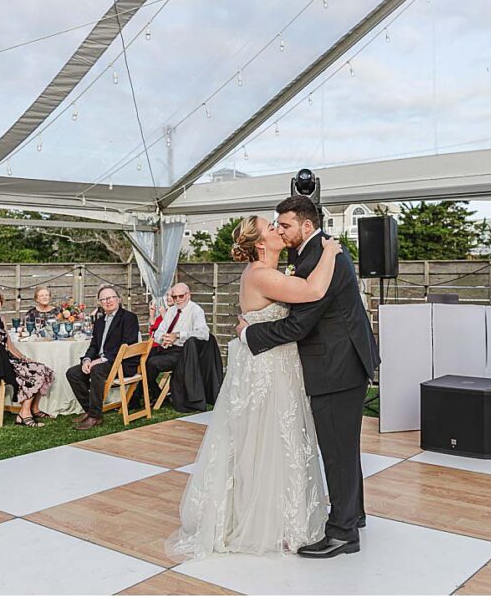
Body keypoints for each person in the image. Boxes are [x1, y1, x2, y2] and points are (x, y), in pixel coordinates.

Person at [167, 213, 342, 559]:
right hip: (267, 370)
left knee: (271, 441)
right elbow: (314, 290)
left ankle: (276, 516)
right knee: (268, 441)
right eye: (271, 227)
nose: (278, 229)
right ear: (261, 244)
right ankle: (269, 522)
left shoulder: (266, 273)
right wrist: (331, 251)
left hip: (272, 364)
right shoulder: (262, 276)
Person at [237, 195, 380, 559]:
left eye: (284, 225)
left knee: (337, 450)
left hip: (337, 366)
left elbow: (300, 323)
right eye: (276, 226)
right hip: (341, 362)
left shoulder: (319, 256)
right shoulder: (312, 253)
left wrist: (249, 334)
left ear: (306, 225)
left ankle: (343, 533)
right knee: (343, 447)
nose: (280, 232)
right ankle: (354, 515)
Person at [0, 289, 55, 427]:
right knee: (32, 374)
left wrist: (24, 358)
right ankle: (24, 414)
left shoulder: (0, 319)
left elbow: (8, 345)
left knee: (42, 369)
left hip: (6, 359)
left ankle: (34, 409)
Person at [65, 285, 140, 430]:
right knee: (73, 373)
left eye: (111, 297)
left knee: (97, 369)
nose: (108, 301)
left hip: (124, 363)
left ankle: (95, 416)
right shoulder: (99, 322)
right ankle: (90, 409)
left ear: (118, 299)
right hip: (105, 363)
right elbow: (94, 346)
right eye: (104, 299)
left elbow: (127, 343)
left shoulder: (129, 318)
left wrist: (102, 359)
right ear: (99, 303)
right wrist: (87, 360)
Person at [144, 284, 210, 402]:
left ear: (188, 295)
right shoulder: (171, 311)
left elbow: (204, 333)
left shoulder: (196, 310)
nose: (177, 300)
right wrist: (163, 338)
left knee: (152, 363)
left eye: (181, 296)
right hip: (166, 347)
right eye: (174, 297)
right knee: (142, 359)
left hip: (184, 352)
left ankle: (140, 396)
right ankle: (154, 393)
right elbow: (159, 332)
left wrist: (178, 335)